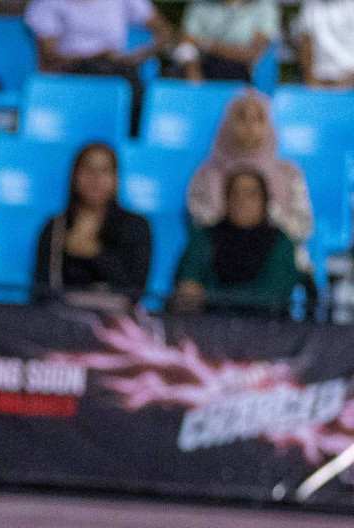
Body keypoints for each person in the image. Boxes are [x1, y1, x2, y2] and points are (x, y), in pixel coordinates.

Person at [186, 89, 313, 264]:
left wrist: (266, 216)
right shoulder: (205, 175)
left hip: (274, 260)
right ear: (228, 123)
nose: (250, 127)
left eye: (258, 119)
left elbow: (303, 227)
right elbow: (202, 226)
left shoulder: (289, 174)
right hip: (220, 261)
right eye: (242, 118)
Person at [24, 0, 174, 134]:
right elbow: (48, 58)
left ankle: (131, 139)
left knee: (127, 78)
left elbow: (165, 31)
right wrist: (94, 56)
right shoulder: (46, 3)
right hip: (70, 72)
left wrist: (141, 53)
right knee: (106, 69)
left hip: (117, 70)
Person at [34, 142, 153, 309]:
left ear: (116, 179)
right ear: (74, 175)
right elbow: (42, 290)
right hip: (63, 321)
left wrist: (95, 253)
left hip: (117, 325)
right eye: (88, 169)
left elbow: (135, 290)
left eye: (104, 170)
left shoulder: (137, 226)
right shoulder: (56, 228)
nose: (95, 178)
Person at [174, 167, 299, 316]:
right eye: (235, 192)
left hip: (267, 331)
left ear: (264, 200)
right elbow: (186, 285)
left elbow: (272, 295)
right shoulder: (204, 237)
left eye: (251, 194)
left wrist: (207, 296)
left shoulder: (281, 242)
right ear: (226, 198)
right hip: (206, 328)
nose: (242, 200)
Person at [173, 0, 280, 82]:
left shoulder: (264, 5)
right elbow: (186, 43)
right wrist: (191, 69)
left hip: (241, 71)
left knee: (228, 69)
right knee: (183, 69)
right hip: (203, 64)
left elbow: (252, 54)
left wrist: (207, 45)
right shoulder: (200, 5)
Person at [294, 0, 354, 88]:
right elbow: (305, 43)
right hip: (318, 80)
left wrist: (351, 77)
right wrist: (310, 77)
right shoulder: (310, 5)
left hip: (349, 78)